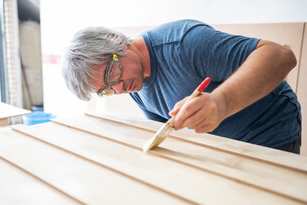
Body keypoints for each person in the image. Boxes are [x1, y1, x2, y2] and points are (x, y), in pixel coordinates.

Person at [61, 19, 301, 154]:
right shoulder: (130, 83)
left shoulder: (185, 44)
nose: (119, 88)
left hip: (269, 132)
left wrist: (221, 102)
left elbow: (282, 56)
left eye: (112, 72)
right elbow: (167, 131)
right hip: (223, 147)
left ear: (116, 42)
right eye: (106, 89)